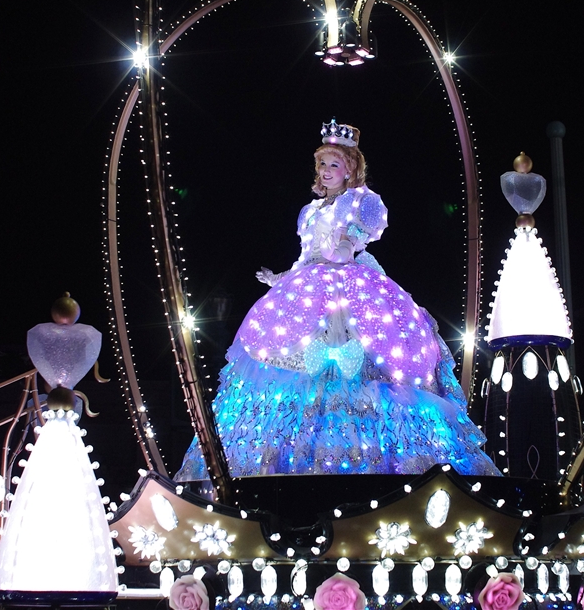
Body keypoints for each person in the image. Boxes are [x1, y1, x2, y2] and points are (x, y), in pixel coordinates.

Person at [175, 120, 497, 479]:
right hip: (310, 285)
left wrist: (344, 246)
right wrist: (280, 279)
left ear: (350, 169)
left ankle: (381, 460)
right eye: (322, 164)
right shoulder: (310, 211)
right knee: (285, 358)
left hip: (351, 285)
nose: (326, 171)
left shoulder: (361, 201)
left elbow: (348, 245)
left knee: (369, 361)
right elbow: (306, 256)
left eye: (334, 164)